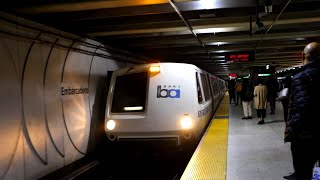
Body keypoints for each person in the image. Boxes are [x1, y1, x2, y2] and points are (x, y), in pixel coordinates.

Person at [284, 42, 320, 180]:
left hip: (306, 136)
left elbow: (303, 107)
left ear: (303, 56)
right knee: (317, 169)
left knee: (303, 171)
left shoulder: (301, 77)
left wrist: (293, 133)